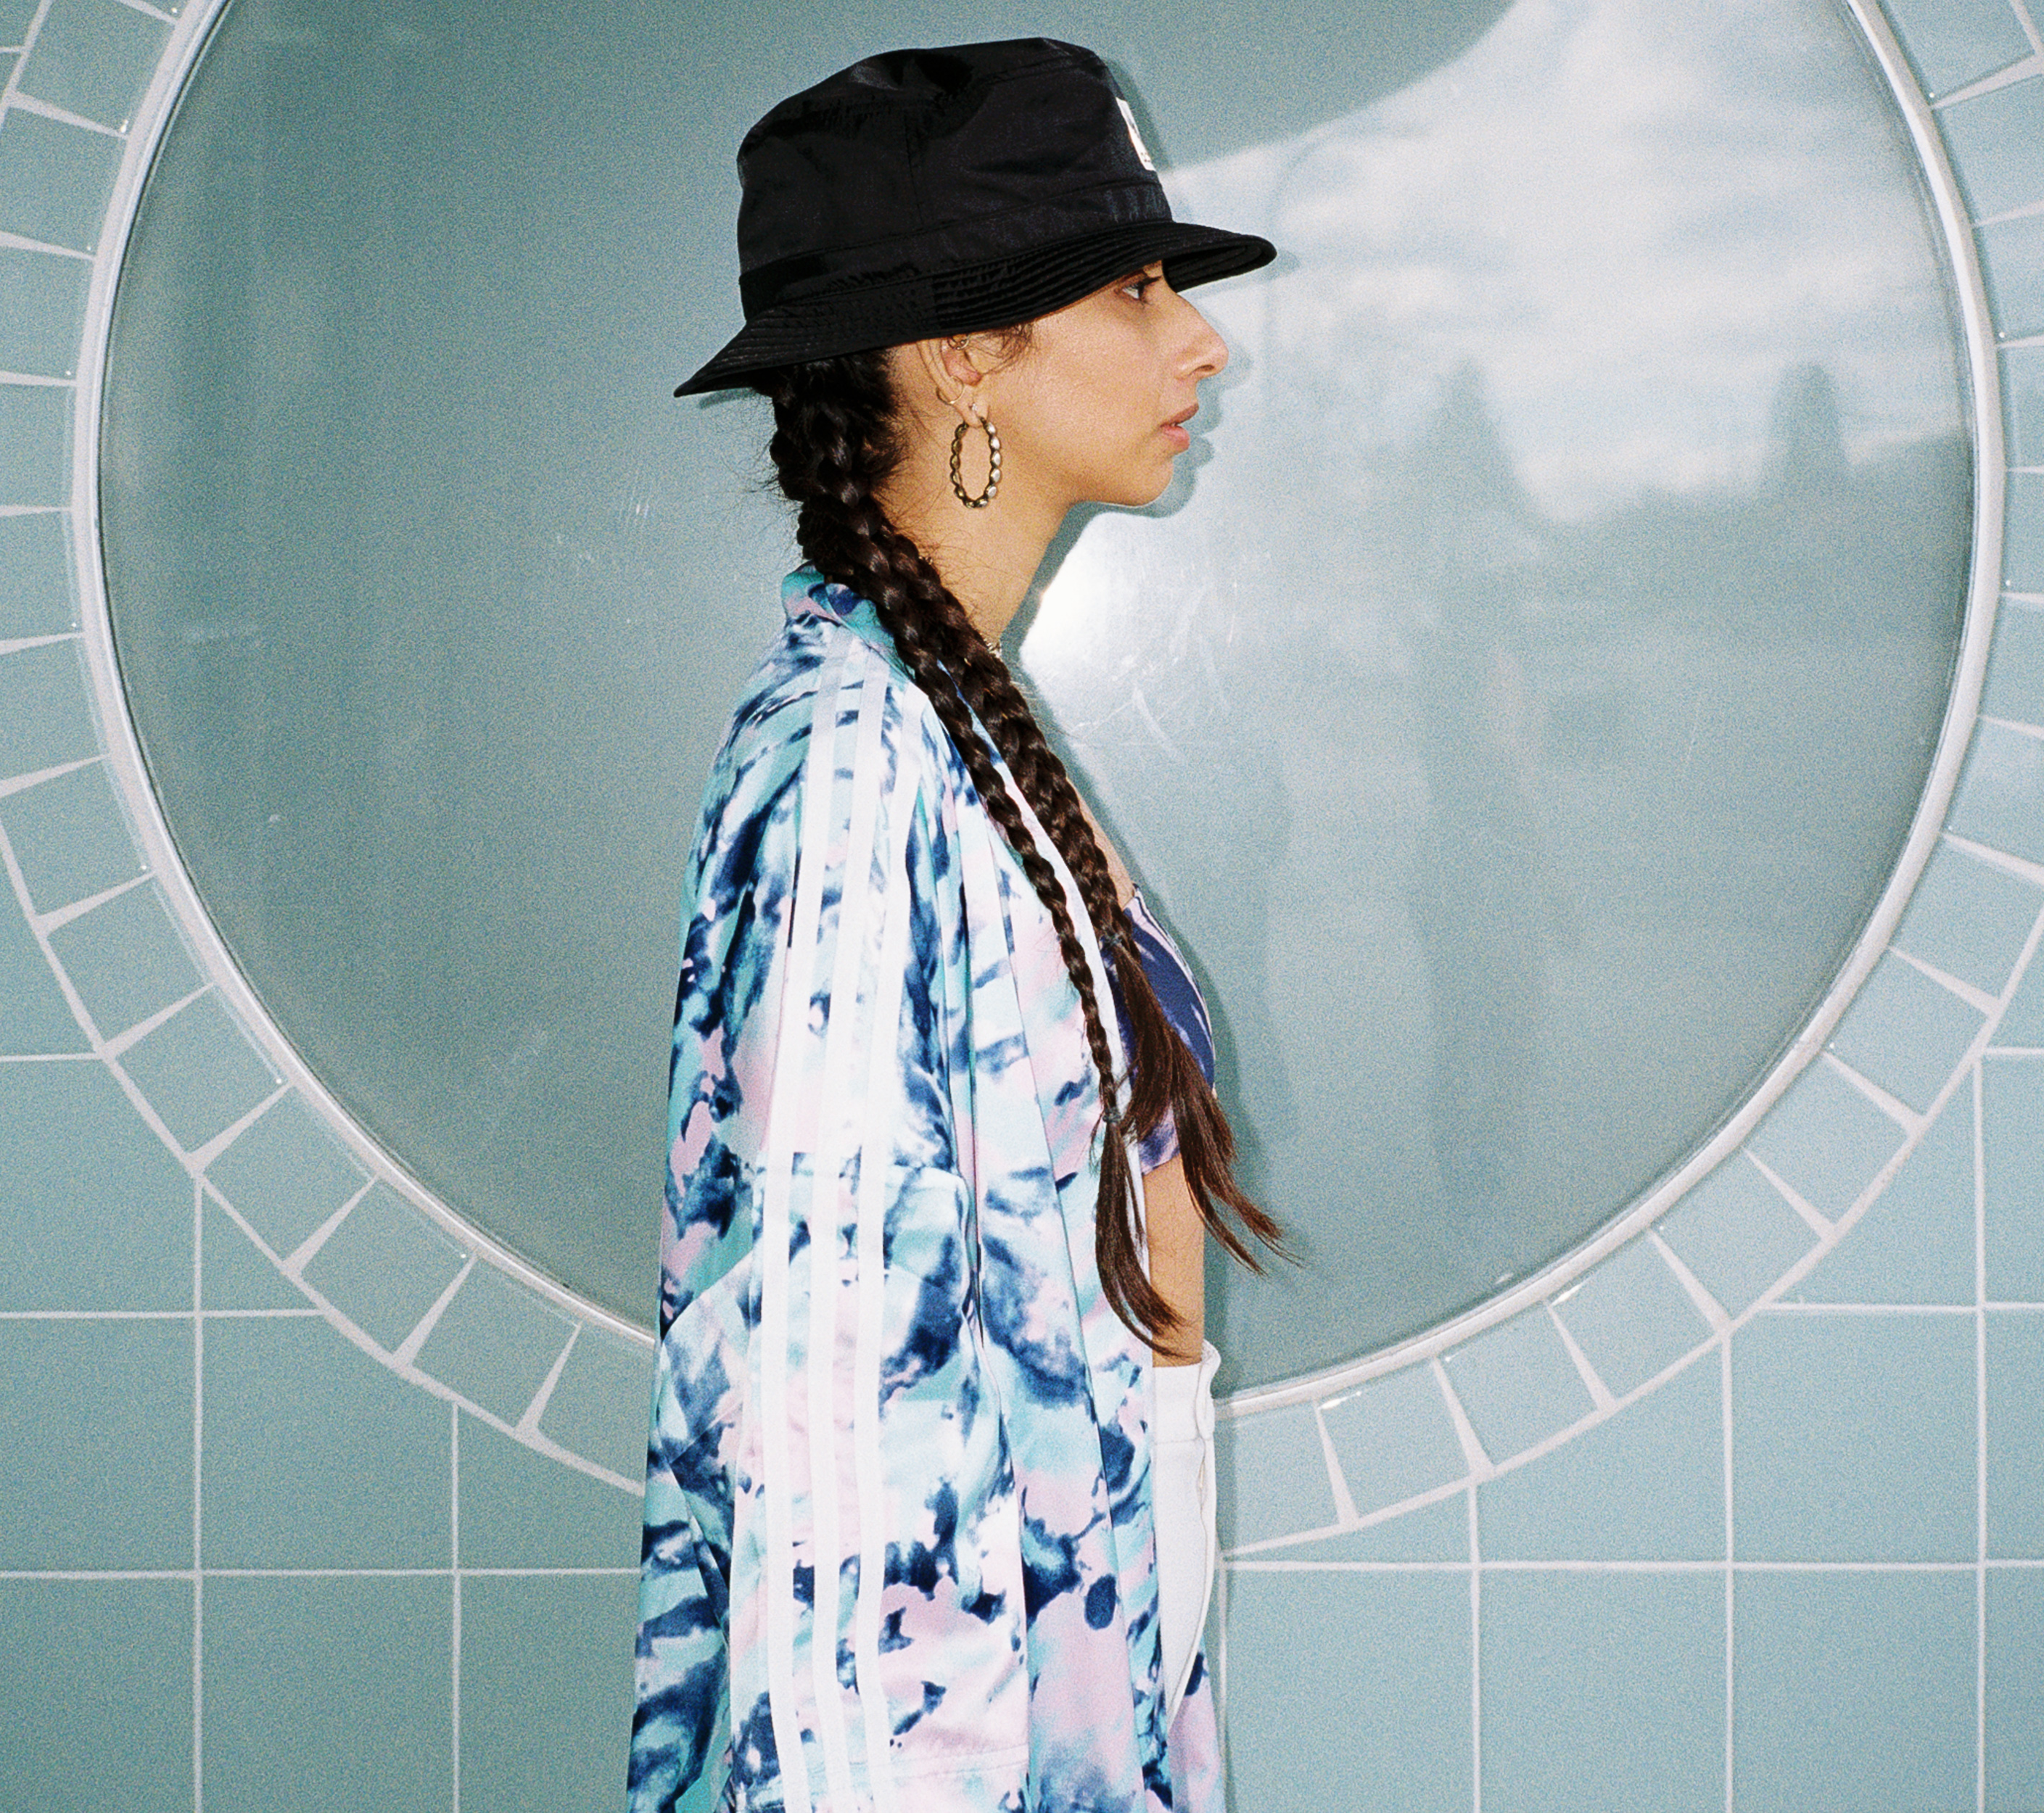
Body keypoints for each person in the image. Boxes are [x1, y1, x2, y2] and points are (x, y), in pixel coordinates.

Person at [634, 41, 1285, 1813]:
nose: (1201, 343)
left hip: (1085, 1692)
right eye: (1136, 290)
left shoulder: (947, 728)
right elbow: (839, 1440)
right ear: (959, 354)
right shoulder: (857, 772)